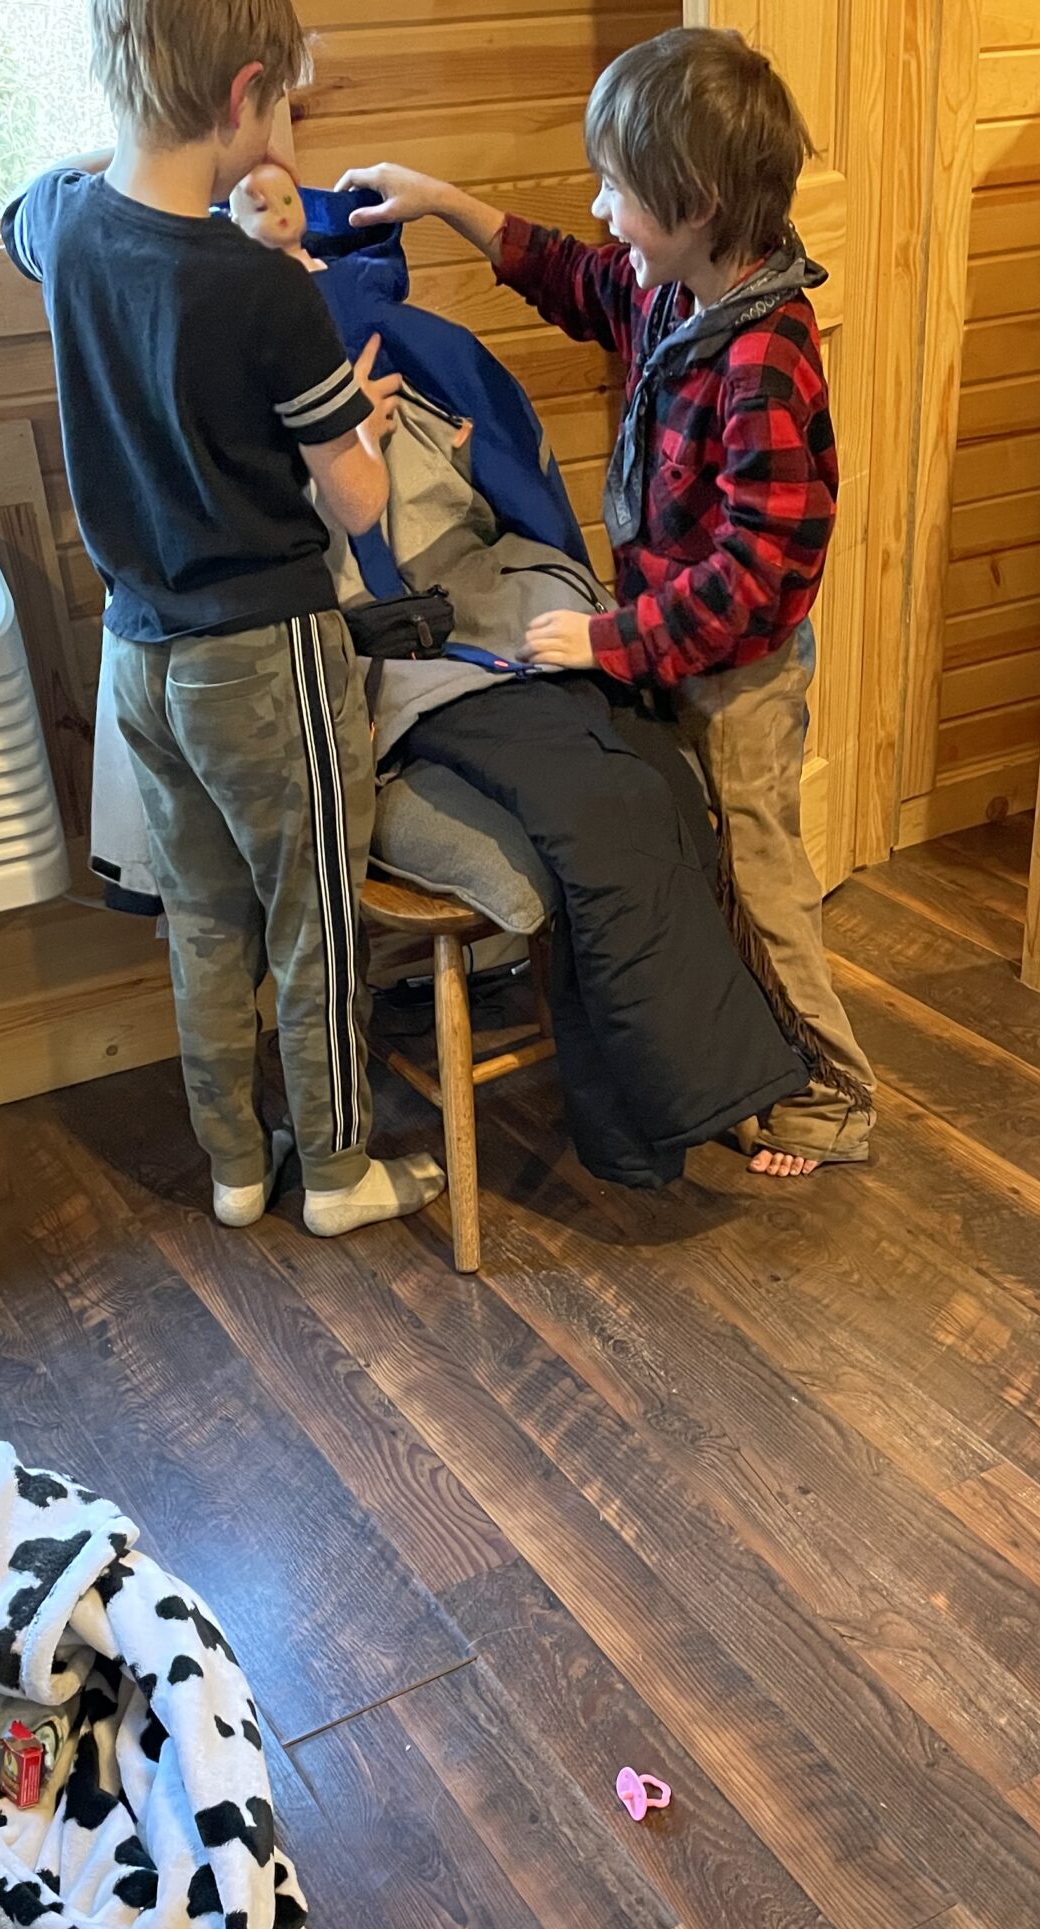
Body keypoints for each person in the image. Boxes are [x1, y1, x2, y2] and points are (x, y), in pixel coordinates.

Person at [339, 24, 875, 1178]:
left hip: (736, 678)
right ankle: (746, 1069)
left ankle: (836, 1096)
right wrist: (443, 203)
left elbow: (752, 575)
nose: (601, 211)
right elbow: (570, 276)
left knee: (760, 880)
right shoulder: (675, 291)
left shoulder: (764, 358)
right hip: (667, 651)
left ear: (697, 204)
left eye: (618, 191)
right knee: (689, 855)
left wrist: (606, 638)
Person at [0, 0, 444, 1235]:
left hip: (138, 654)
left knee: (201, 919)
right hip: (263, 657)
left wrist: (142, 123)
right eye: (284, 103)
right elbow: (356, 501)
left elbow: (23, 208)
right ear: (245, 95)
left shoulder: (69, 225)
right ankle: (339, 1174)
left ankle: (237, 1167)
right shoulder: (262, 289)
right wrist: (360, 421)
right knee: (314, 922)